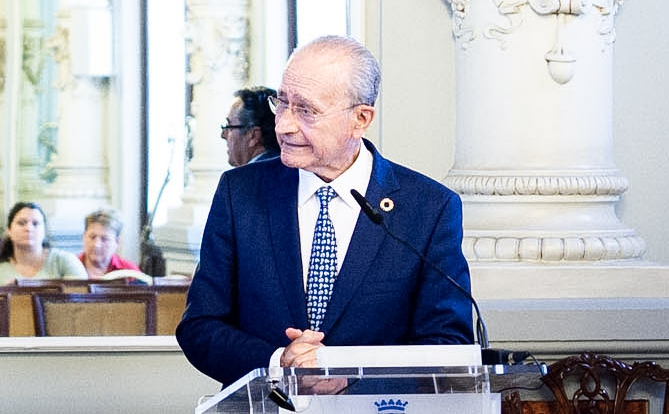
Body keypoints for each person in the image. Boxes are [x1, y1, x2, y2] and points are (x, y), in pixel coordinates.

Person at [177, 36, 475, 384]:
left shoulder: (428, 208)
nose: (285, 125)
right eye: (282, 103)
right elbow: (200, 326)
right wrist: (278, 363)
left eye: (306, 110)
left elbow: (447, 344)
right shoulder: (240, 193)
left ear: (360, 119)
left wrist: (354, 379)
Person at [0, 201, 88, 282]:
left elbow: (81, 304)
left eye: (35, 223)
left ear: (44, 231)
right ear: (9, 230)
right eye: (21, 223)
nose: (29, 228)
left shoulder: (65, 261)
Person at [222, 86, 279, 167]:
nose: (223, 135)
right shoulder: (294, 171)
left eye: (229, 127)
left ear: (253, 136)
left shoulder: (236, 178)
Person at [78, 209, 141, 278]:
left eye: (104, 239)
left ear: (117, 242)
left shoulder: (130, 273)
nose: (96, 245)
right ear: (84, 237)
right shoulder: (68, 268)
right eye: (92, 237)